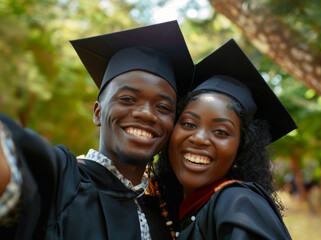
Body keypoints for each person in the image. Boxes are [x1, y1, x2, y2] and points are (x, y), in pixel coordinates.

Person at [0, 20, 193, 239]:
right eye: (128, 99)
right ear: (98, 112)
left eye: (163, 107)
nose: (146, 114)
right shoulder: (62, 181)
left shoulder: (164, 215)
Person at [154, 39, 296, 239]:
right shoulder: (187, 209)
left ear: (242, 148)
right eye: (188, 124)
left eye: (220, 131)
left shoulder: (238, 203)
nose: (199, 138)